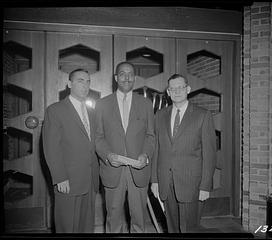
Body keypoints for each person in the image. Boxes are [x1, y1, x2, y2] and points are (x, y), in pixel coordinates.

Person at [151, 73, 216, 233]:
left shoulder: (203, 115)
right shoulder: (160, 115)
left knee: (189, 229)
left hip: (191, 184)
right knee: (172, 227)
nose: (177, 91)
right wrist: (154, 180)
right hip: (166, 181)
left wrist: (205, 186)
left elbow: (210, 153)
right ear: (168, 92)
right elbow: (156, 149)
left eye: (180, 87)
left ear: (188, 89)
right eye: (173, 88)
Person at [95, 61, 155, 233]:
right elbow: (98, 138)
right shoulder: (102, 104)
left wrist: (146, 155)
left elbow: (151, 136)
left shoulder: (145, 104)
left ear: (135, 78)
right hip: (113, 170)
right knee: (113, 218)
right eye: (122, 73)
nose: (126, 77)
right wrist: (107, 156)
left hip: (139, 169)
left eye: (130, 74)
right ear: (116, 78)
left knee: (139, 216)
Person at [42, 69, 99, 233]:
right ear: (69, 84)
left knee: (86, 226)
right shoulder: (55, 110)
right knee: (66, 226)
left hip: (89, 179)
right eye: (80, 80)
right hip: (67, 180)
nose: (85, 85)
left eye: (88, 81)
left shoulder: (92, 112)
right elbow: (51, 147)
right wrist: (60, 178)